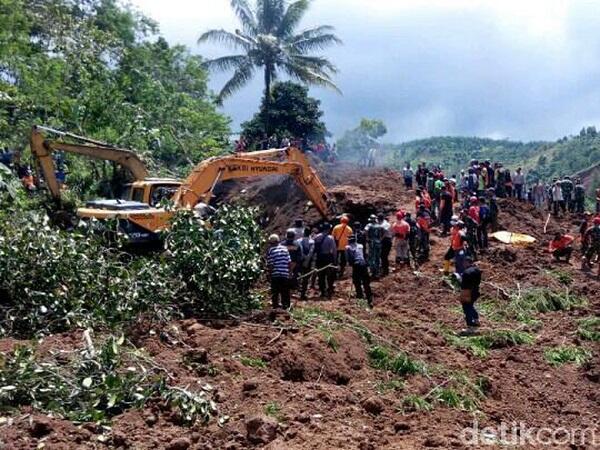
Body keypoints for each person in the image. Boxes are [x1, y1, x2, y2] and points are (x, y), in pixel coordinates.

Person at [345, 234, 373, 307]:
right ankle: (369, 298)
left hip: (356, 265)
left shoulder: (348, 247)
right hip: (363, 264)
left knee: (357, 282)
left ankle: (360, 298)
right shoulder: (360, 246)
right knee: (366, 282)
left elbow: (348, 258)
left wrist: (350, 264)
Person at [266, 234, 291, 309]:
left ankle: (275, 307)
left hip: (276, 274)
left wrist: (269, 274)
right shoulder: (285, 249)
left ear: (271, 243)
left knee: (275, 292)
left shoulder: (271, 250)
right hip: (284, 274)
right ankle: (286, 307)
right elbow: (289, 262)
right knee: (285, 292)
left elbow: (271, 265)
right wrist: (289, 273)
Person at [459, 256, 481, 334]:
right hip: (476, 291)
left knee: (466, 307)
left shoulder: (466, 273)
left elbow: (463, 285)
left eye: (464, 262)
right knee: (470, 305)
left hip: (467, 292)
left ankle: (471, 326)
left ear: (467, 262)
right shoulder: (477, 270)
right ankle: (476, 319)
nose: (463, 264)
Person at [314, 223, 337, 298]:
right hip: (328, 257)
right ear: (328, 229)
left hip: (319, 258)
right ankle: (329, 290)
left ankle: (322, 291)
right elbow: (334, 250)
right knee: (329, 275)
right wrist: (335, 259)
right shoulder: (330, 238)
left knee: (321, 275)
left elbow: (314, 248)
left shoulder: (317, 237)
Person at [298, 227, 315, 300]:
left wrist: (302, 257)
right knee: (306, 278)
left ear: (304, 233)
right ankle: (303, 293)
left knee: (298, 276)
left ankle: (299, 290)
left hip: (299, 261)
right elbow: (311, 252)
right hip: (308, 262)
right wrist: (306, 261)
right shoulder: (312, 241)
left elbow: (299, 251)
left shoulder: (298, 241)